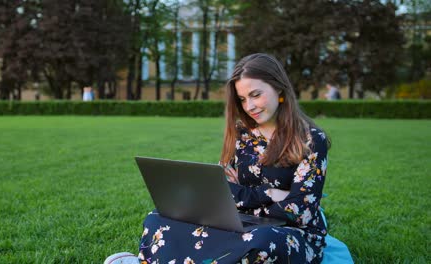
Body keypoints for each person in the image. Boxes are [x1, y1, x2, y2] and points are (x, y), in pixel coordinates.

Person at [105, 53, 332, 264]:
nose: (249, 106)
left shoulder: (311, 140)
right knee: (158, 218)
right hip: (240, 221)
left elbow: (300, 211)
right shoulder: (242, 132)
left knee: (263, 242)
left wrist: (244, 199)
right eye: (242, 99)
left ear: (279, 89)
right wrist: (270, 194)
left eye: (255, 95)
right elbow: (224, 192)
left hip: (292, 232)